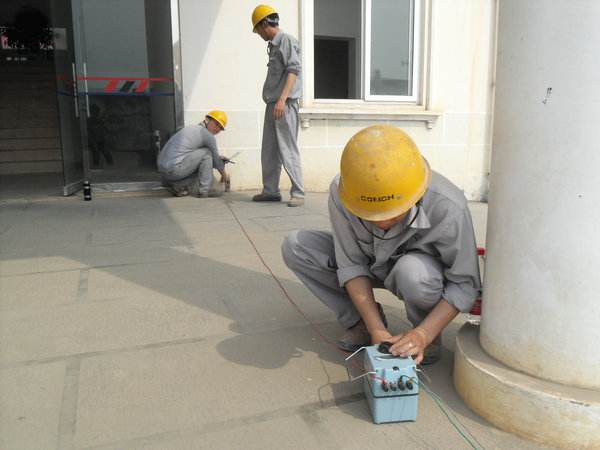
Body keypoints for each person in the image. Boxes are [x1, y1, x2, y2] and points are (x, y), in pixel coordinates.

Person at [282, 125, 482, 365]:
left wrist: (424, 333)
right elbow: (351, 263)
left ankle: (423, 333)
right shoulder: (345, 190)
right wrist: (375, 327)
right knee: (296, 246)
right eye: (370, 216)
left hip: (418, 276)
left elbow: (465, 284)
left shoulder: (448, 206)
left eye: (394, 215)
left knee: (413, 272)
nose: (383, 223)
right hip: (371, 263)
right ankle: (359, 322)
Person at [251, 4, 304, 207]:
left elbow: (293, 70)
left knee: (288, 148)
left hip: (284, 104)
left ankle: (298, 193)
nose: (258, 34)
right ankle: (270, 191)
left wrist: (282, 100)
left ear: (265, 24)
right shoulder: (274, 45)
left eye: (257, 30)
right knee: (270, 150)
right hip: (273, 104)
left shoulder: (286, 41)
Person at [157, 111, 230, 198]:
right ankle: (204, 191)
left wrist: (217, 158)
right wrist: (225, 176)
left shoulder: (192, 128)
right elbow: (217, 163)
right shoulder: (207, 136)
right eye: (216, 124)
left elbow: (195, 156)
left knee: (206, 156)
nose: (217, 129)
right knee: (217, 190)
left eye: (220, 128)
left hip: (165, 170)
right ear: (207, 120)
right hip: (174, 169)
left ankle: (177, 185)